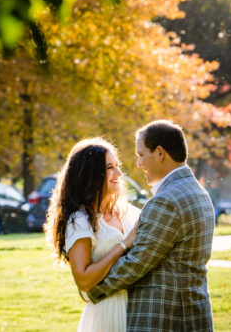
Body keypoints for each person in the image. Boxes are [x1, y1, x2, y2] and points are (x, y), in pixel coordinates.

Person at [85, 120, 216, 332]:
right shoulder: (199, 193)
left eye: (141, 155)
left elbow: (137, 262)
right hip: (194, 313)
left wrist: (93, 289)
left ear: (160, 153)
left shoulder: (167, 201)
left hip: (165, 317)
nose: (138, 164)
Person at [45, 137, 141, 332]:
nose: (119, 173)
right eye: (110, 168)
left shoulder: (130, 212)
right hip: (107, 314)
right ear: (90, 175)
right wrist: (123, 245)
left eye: (117, 166)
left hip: (140, 310)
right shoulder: (80, 221)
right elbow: (84, 280)